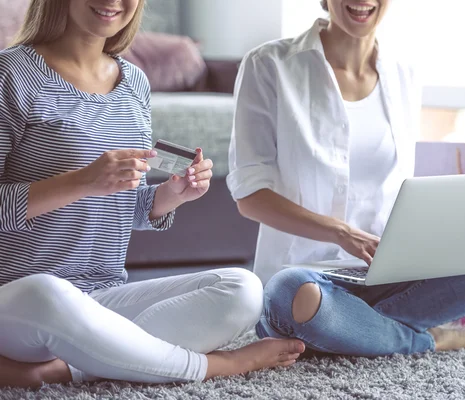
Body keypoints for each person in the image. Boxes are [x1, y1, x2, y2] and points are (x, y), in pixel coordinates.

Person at [0, 0, 305, 389]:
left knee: (243, 289)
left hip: (101, 297)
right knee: (46, 292)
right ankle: (215, 367)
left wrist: (172, 195)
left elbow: (127, 207)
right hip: (20, 299)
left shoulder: (134, 83)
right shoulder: (10, 74)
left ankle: (69, 368)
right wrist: (83, 181)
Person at [227, 0, 465, 357]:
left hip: (389, 277)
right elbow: (250, 196)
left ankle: (361, 330)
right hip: (309, 282)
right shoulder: (269, 64)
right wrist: (341, 232)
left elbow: (395, 188)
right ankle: (427, 338)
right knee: (291, 292)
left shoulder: (403, 72)